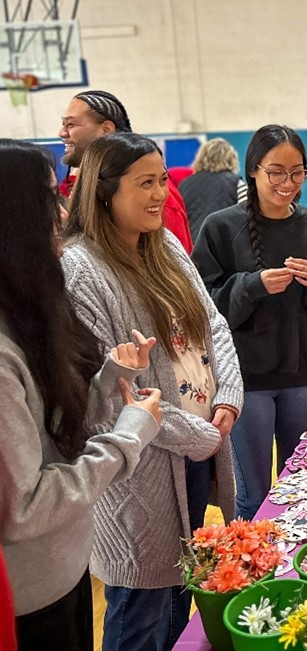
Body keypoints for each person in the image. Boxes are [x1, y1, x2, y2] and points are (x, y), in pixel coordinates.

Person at [62, 132, 244, 650]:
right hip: (141, 470)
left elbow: (212, 323)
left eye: (162, 179)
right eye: (145, 183)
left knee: (176, 595)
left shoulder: (163, 242)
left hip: (196, 445)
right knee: (140, 606)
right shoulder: (81, 271)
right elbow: (118, 393)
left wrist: (227, 393)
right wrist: (200, 436)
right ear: (104, 191)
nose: (160, 194)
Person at [0, 138, 162, 650]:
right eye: (52, 198)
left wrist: (111, 376)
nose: (63, 211)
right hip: (28, 601)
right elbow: (23, 507)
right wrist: (128, 437)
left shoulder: (30, 310)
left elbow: (54, 428)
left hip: (62, 574)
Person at [192, 124, 307, 520]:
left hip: (302, 376)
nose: (288, 183)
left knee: (304, 489)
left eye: (298, 172)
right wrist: (251, 285)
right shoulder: (221, 227)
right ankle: (253, 577)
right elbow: (201, 308)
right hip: (247, 381)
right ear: (253, 170)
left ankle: (297, 575)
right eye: (276, 172)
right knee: (253, 497)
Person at [58, 89, 194, 252]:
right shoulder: (72, 190)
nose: (62, 133)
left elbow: (174, 264)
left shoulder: (159, 201)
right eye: (63, 124)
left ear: (107, 129)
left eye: (71, 124)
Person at [180, 138, 248, 241]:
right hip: (223, 245)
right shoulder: (236, 183)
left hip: (192, 247)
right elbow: (248, 216)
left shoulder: (184, 184)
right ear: (231, 158)